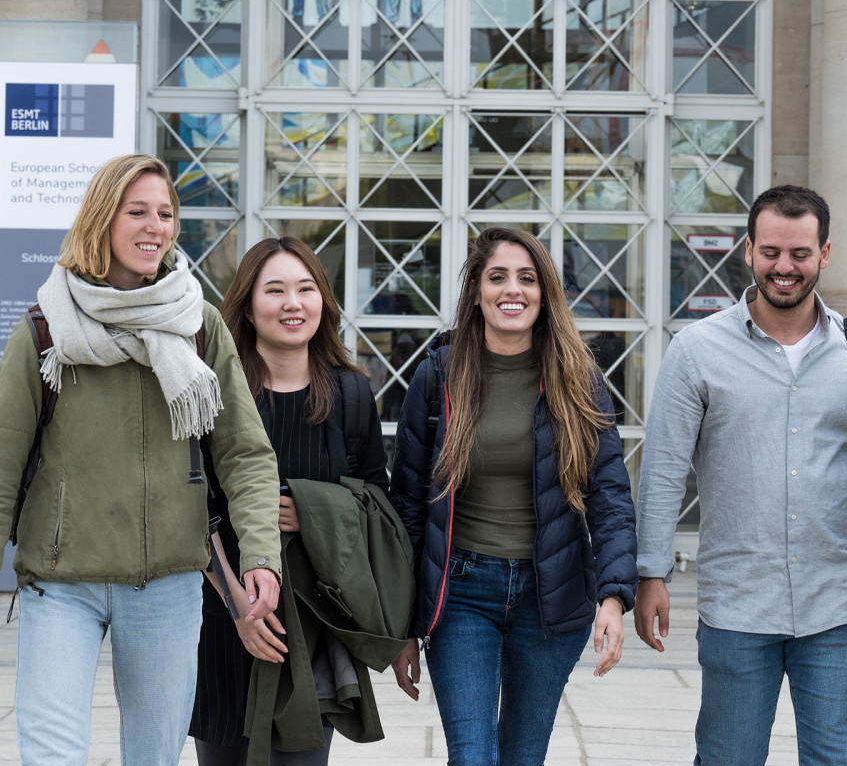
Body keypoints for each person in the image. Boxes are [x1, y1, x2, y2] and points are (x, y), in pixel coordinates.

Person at [0, 154, 282, 764]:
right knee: (52, 755)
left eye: (166, 213)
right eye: (138, 212)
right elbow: (2, 461)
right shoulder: (47, 328)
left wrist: (261, 553)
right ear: (102, 219)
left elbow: (246, 455)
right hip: (59, 582)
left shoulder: (198, 326)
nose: (156, 226)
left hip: (168, 587)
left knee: (154, 757)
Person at [635, 185, 847, 766]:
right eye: (771, 252)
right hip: (737, 604)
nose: (784, 267)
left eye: (800, 253)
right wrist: (650, 574)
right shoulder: (697, 351)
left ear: (825, 253)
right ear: (748, 250)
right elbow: (662, 468)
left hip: (843, 605)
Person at [389, 227, 637, 765]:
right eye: (497, 276)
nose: (512, 290)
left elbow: (610, 497)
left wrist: (615, 596)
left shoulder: (578, 380)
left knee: (523, 757)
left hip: (549, 595)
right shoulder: (438, 377)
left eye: (527, 278)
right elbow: (407, 505)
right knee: (472, 757)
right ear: (475, 289)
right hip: (460, 595)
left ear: (545, 293)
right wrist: (403, 625)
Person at [190, 236, 394, 764]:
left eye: (305, 289)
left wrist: (317, 513)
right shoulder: (210, 391)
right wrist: (238, 603)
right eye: (274, 290)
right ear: (247, 305)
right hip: (221, 617)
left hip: (312, 625)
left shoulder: (349, 394)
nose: (292, 303)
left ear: (322, 300)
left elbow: (379, 503)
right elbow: (192, 502)